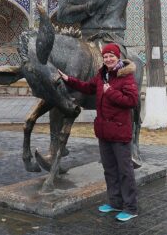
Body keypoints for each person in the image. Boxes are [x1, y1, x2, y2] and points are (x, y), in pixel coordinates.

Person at [57, 42, 139, 222]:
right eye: (106, 56)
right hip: (104, 131)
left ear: (118, 57)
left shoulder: (126, 76)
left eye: (112, 56)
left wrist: (111, 93)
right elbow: (88, 88)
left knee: (125, 171)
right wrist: (68, 79)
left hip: (119, 131)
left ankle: (130, 207)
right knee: (109, 169)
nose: (108, 59)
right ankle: (115, 202)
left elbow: (132, 100)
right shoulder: (102, 76)